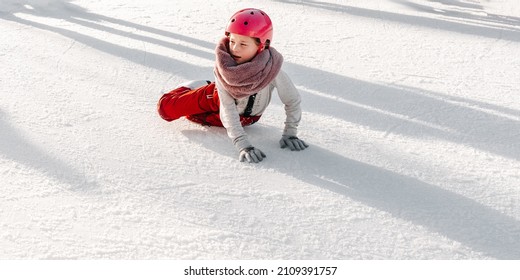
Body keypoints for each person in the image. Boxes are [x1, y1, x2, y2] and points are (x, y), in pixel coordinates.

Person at [157, 8, 308, 163]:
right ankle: (193, 87)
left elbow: (293, 100)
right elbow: (228, 111)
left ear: (262, 45)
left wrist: (291, 132)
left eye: (243, 43)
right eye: (232, 41)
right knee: (166, 109)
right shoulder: (224, 69)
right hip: (215, 98)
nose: (235, 48)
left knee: (195, 117)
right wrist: (243, 145)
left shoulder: (272, 69)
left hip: (248, 118)